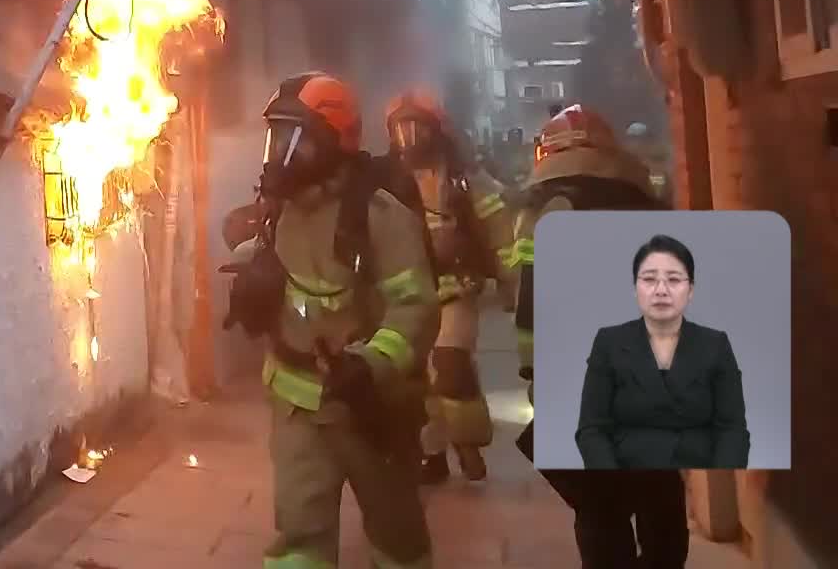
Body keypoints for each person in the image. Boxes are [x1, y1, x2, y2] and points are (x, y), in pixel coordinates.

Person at [221, 72, 439, 569]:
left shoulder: (381, 217)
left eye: (295, 140)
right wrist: (256, 281)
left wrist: (372, 364)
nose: (280, 153)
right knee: (299, 536)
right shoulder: (279, 211)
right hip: (297, 409)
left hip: (370, 409)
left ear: (331, 142)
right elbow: (272, 259)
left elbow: (416, 307)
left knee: (396, 535)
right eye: (276, 137)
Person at [511, 104, 687, 568]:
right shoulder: (647, 200)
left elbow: (533, 306)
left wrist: (536, 375)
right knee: (661, 492)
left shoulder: (548, 211)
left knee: (599, 506)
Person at [383, 90, 512, 484]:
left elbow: (499, 227)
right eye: (400, 130)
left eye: (415, 128)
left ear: (435, 130)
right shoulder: (387, 183)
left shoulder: (463, 179)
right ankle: (431, 454)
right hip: (409, 295)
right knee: (416, 380)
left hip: (456, 288)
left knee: (451, 366)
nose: (409, 139)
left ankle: (468, 442)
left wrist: (513, 282)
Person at [576, 233, 749, 470]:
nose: (661, 290)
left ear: (691, 290)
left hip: (698, 473)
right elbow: (591, 429)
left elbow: (733, 431)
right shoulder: (609, 342)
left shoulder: (716, 344)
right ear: (635, 288)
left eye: (674, 279)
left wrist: (718, 482)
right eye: (649, 279)